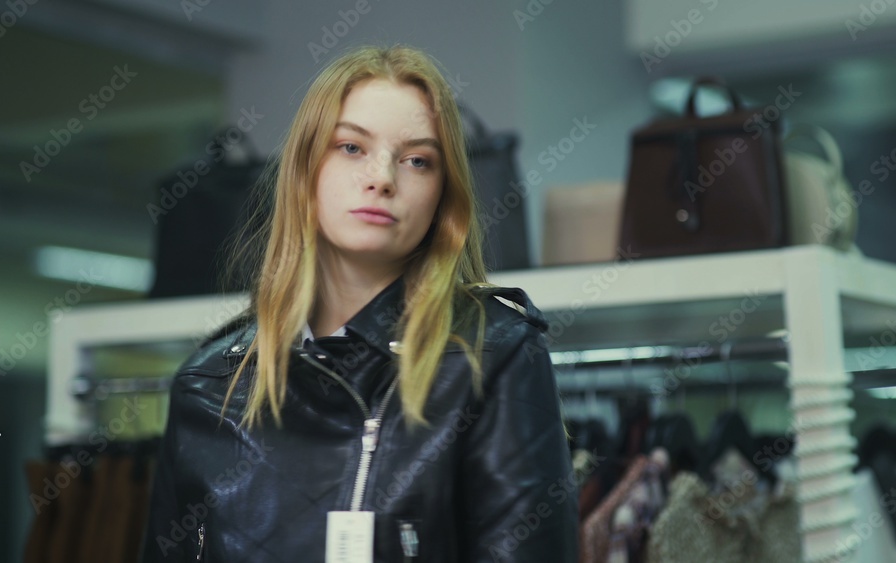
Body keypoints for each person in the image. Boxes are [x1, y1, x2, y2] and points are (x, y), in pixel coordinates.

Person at [138, 44, 578, 562]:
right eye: (351, 148)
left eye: (418, 160)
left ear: (443, 195)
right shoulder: (208, 385)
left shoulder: (494, 356)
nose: (383, 178)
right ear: (306, 171)